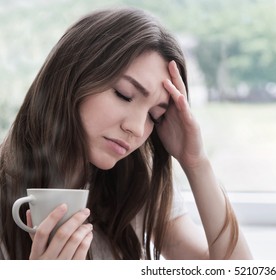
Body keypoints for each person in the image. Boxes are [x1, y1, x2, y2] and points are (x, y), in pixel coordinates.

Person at [0, 7, 252, 260]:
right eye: (124, 94)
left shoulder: (134, 183)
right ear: (72, 76)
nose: (137, 128)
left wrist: (196, 162)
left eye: (155, 115)